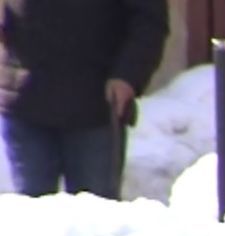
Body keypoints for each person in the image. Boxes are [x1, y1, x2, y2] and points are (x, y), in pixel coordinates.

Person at [0, 0, 169, 200]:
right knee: (32, 218)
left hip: (95, 104)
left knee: (97, 218)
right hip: (25, 98)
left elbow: (149, 21)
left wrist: (128, 76)